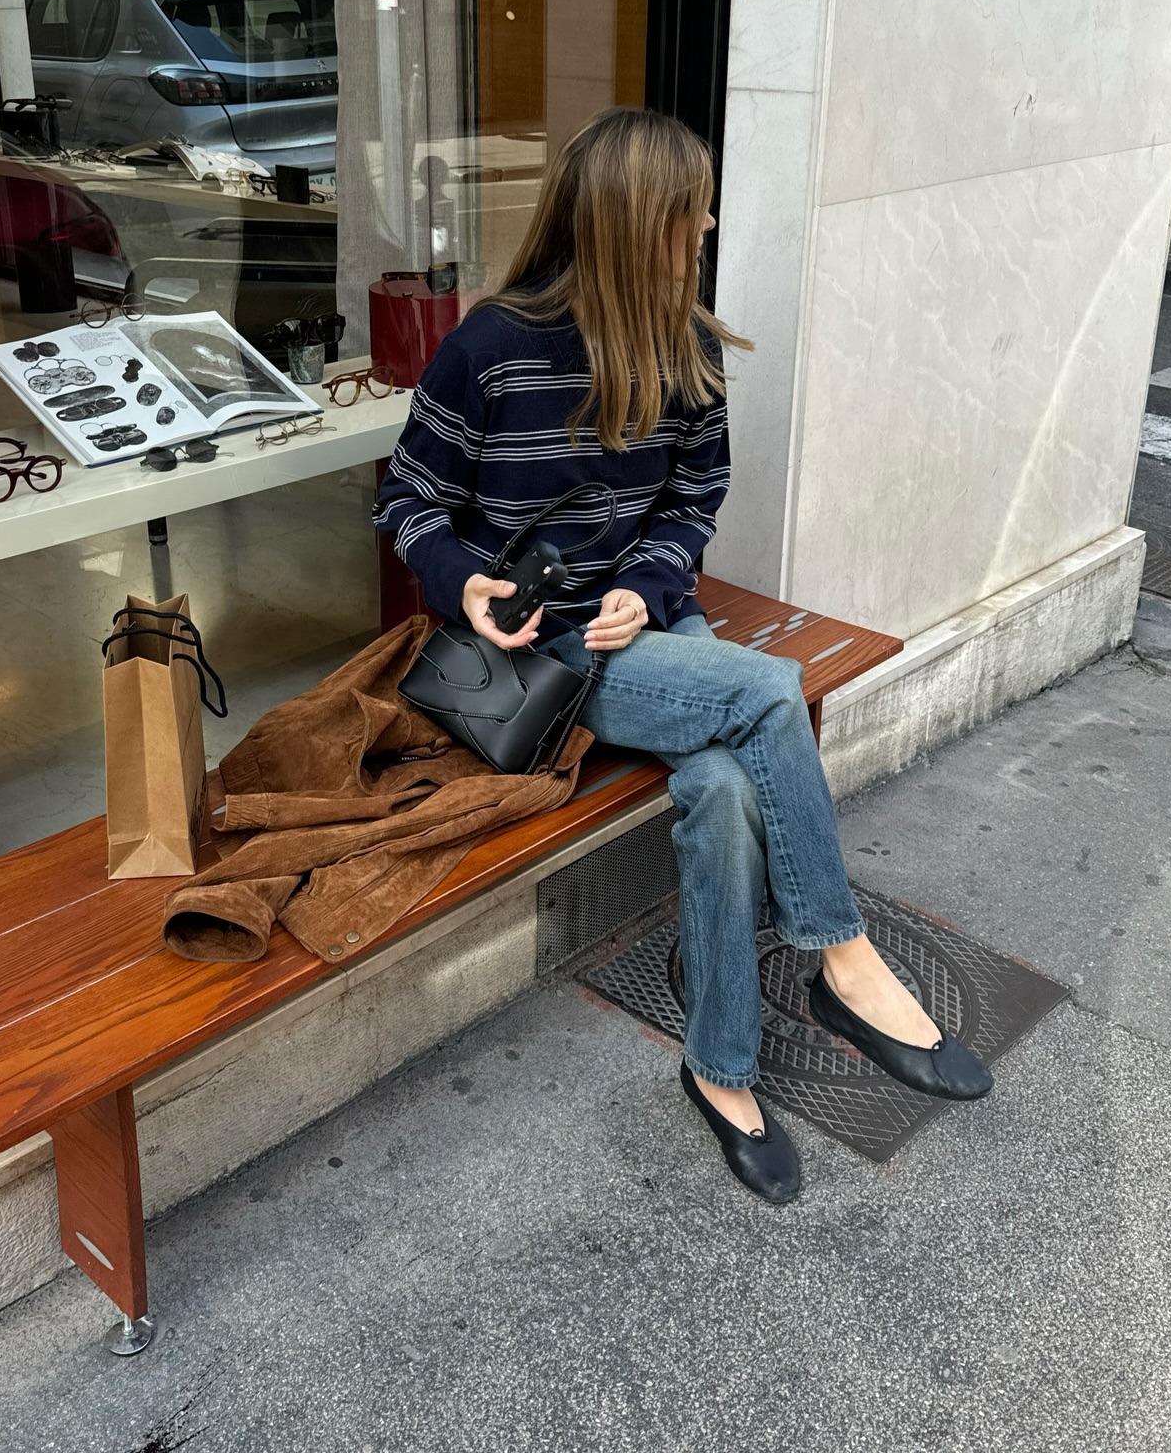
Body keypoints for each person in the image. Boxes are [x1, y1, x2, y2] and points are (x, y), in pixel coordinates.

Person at [375, 107, 991, 1203]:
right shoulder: (491, 349)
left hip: (645, 628)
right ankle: (841, 958)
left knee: (716, 787)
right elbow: (409, 497)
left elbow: (688, 504)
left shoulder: (687, 346)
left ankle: (720, 1069)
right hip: (540, 656)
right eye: (692, 207)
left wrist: (640, 587)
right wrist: (462, 580)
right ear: (636, 222)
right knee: (768, 692)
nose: (708, 222)